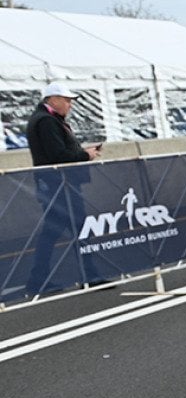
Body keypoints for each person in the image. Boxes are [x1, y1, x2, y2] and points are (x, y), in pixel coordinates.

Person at [24, 82, 106, 294]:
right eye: (67, 100)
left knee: (53, 232)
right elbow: (58, 156)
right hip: (59, 185)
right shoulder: (46, 122)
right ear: (53, 100)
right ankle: (90, 275)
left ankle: (37, 280)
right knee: (79, 228)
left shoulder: (46, 119)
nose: (70, 105)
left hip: (55, 184)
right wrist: (85, 155)